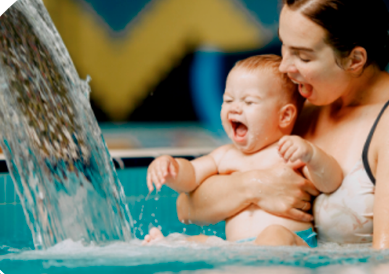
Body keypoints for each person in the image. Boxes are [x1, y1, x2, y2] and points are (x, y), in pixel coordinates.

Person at [180, 0, 389, 249]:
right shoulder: (301, 102)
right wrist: (256, 185)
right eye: (284, 47)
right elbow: (187, 208)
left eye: (303, 56)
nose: (284, 67)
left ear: (355, 59)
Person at [144, 54, 343, 247]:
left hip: (290, 242)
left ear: (284, 116)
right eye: (228, 100)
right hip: (239, 248)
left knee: (274, 234)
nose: (235, 109)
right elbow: (192, 176)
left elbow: (331, 182)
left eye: (249, 102)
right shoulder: (224, 155)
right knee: (201, 242)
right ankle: (166, 244)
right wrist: (171, 167)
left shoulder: (290, 150)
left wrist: (312, 155)